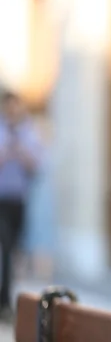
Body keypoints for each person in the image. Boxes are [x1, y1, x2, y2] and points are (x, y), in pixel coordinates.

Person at [0, 91, 42, 320]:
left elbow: (36, 165)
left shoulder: (28, 132)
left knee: (14, 251)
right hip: (1, 200)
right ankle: (4, 301)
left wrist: (20, 149)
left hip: (19, 201)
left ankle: (7, 298)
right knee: (5, 248)